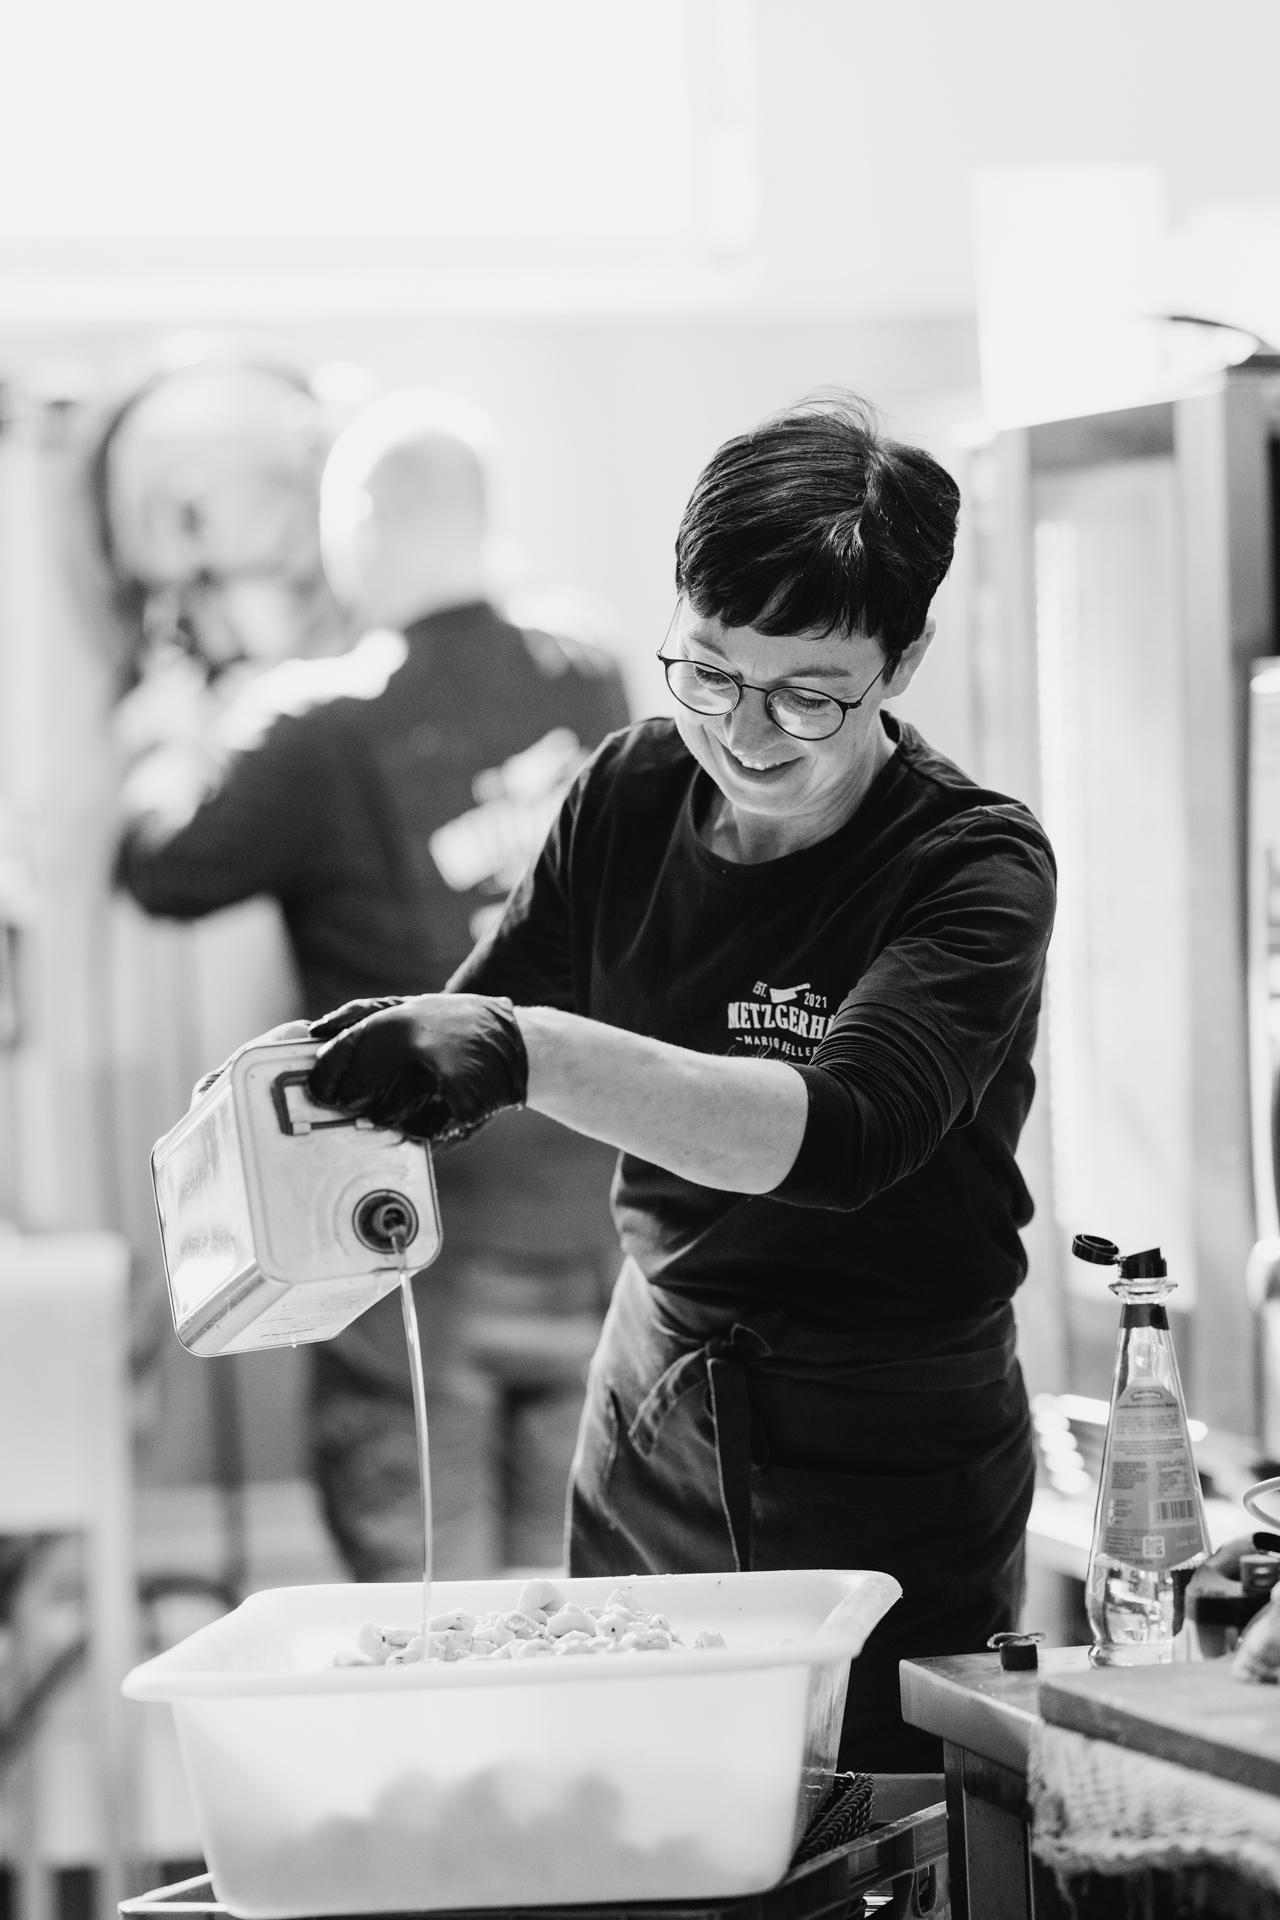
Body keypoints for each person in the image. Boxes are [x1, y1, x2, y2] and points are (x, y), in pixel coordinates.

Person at [301, 390, 1057, 1771]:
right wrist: (335, 1113)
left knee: (865, 1825)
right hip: (655, 1402)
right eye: (708, 672)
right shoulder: (632, 792)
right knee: (639, 1794)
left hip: (883, 1445)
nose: (747, 732)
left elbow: (842, 1133)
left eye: (808, 694)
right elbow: (487, 1015)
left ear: (902, 661)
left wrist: (530, 1051)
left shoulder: (969, 867)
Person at [117, 388, 630, 1579]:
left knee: (424, 1612)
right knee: (564, 1604)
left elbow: (167, 869)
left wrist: (166, 736)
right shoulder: (589, 672)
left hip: (414, 1244)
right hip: (589, 1217)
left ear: (355, 528)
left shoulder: (319, 724)